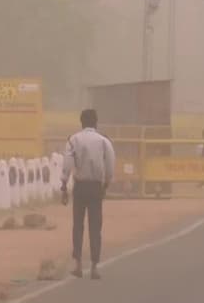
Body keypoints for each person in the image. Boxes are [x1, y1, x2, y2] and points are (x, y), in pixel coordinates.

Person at [60, 109, 115, 280]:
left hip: (80, 186)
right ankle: (94, 266)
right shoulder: (103, 140)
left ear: (81, 122)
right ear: (96, 122)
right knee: (95, 226)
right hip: (96, 187)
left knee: (78, 225)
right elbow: (110, 163)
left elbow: (67, 164)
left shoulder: (74, 139)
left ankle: (77, 265)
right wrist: (106, 183)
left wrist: (63, 184)